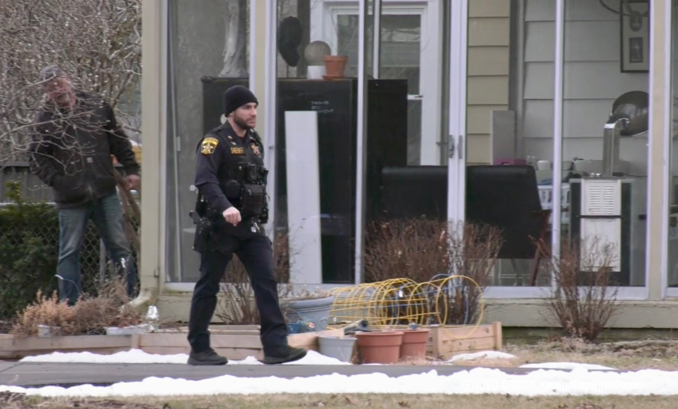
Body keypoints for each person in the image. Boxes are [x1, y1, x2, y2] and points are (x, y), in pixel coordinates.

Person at [187, 85, 306, 366]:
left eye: (254, 107)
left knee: (266, 281)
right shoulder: (214, 142)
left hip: (250, 228)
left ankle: (276, 347)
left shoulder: (254, 142)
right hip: (220, 226)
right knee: (208, 285)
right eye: (246, 108)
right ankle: (199, 349)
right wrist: (225, 206)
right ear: (231, 112)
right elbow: (205, 179)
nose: (253, 113)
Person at [28, 65, 141, 305]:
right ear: (45, 91)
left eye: (59, 82)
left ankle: (128, 301)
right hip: (70, 199)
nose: (57, 89)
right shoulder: (45, 119)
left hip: (104, 191)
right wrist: (60, 182)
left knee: (120, 248)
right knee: (68, 253)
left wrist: (131, 169)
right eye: (50, 86)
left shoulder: (96, 105)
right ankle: (69, 306)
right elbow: (37, 159)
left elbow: (117, 139)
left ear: (69, 79)